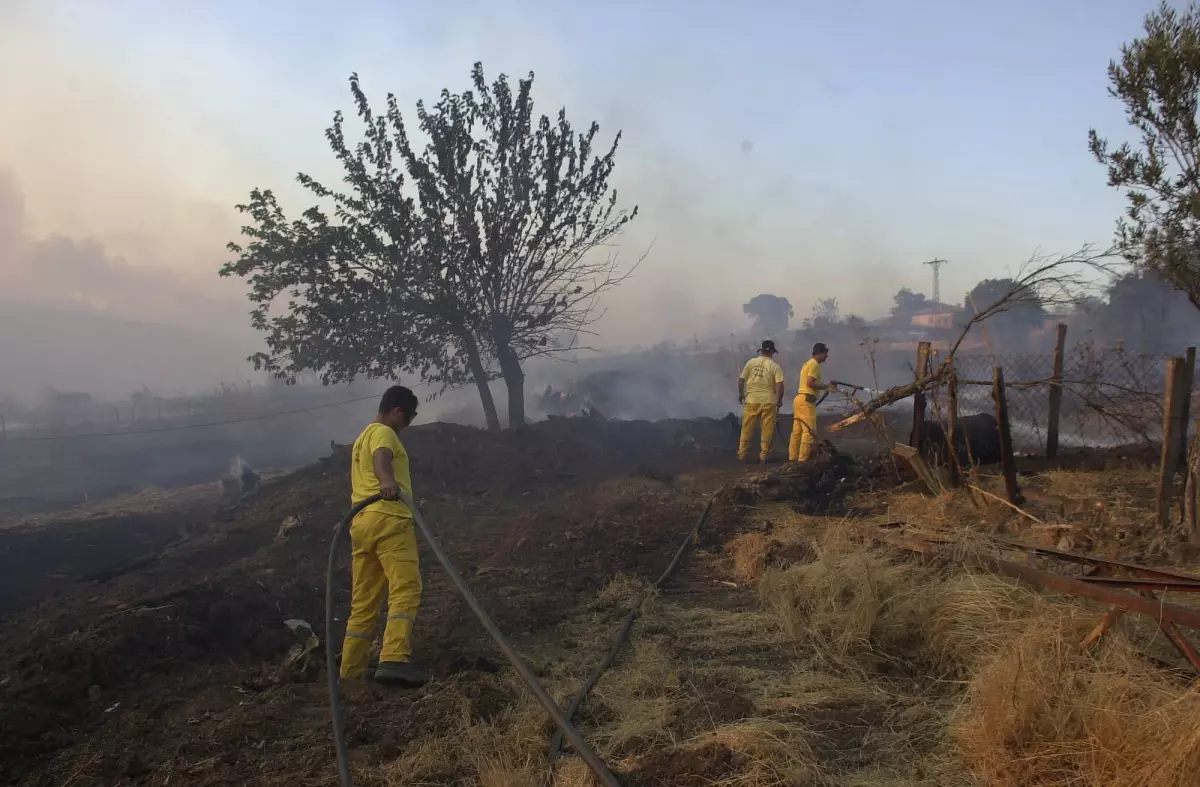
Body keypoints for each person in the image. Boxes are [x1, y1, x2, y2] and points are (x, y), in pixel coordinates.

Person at [340, 385, 428, 688]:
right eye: (408, 418)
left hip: (361, 525)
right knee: (406, 588)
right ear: (398, 411)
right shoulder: (383, 433)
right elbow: (382, 459)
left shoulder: (360, 438)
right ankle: (393, 659)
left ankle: (350, 670)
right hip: (389, 520)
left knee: (363, 603)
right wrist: (388, 482)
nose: (407, 426)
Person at [737, 340, 785, 463]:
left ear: (761, 350)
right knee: (767, 429)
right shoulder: (774, 366)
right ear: (773, 352)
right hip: (768, 401)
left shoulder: (751, 363)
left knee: (747, 428)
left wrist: (741, 394)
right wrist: (779, 400)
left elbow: (741, 380)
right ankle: (764, 455)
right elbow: (779, 385)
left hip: (751, 400)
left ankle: (742, 454)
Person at [790, 342, 837, 462]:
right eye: (825, 354)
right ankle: (802, 460)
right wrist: (826, 387)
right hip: (807, 400)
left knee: (797, 431)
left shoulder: (807, 363)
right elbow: (810, 383)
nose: (826, 357)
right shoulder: (815, 364)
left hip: (799, 399)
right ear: (819, 353)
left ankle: (793, 458)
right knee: (809, 431)